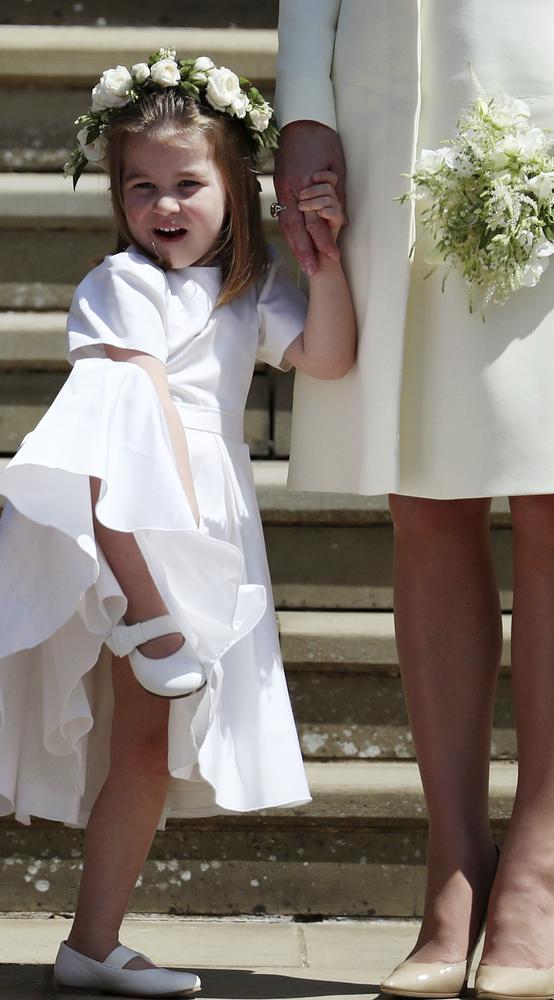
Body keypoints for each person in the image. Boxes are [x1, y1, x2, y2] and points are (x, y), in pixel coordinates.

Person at [0, 49, 356, 998]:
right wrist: (162, 548)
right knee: (127, 387)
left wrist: (322, 264)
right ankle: (144, 606)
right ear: (118, 197)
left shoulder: (252, 291)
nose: (164, 207)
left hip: (202, 510)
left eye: (186, 185)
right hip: (112, 512)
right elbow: (134, 413)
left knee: (141, 744)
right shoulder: (115, 281)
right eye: (142, 188)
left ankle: (92, 942)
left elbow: (329, 359)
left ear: (234, 186)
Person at [275, 3, 554, 999]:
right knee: (423, 491)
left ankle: (540, 862)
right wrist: (303, 97)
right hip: (391, 94)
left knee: (549, 489)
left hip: (541, 76)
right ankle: (453, 862)